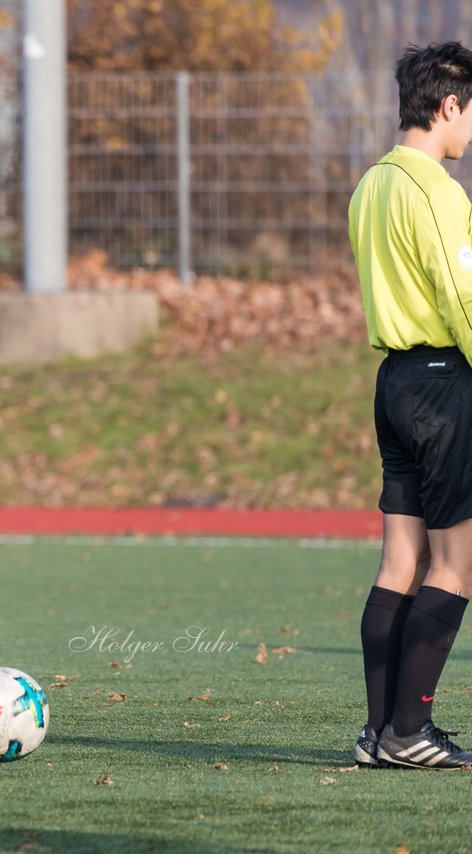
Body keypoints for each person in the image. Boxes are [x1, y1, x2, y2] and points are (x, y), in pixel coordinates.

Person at [347, 41, 472, 769]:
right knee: (455, 565)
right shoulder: (438, 192)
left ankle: (378, 733)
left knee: (400, 558)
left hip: (393, 382)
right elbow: (462, 299)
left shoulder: (370, 185)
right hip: (442, 385)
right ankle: (409, 731)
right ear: (449, 104)